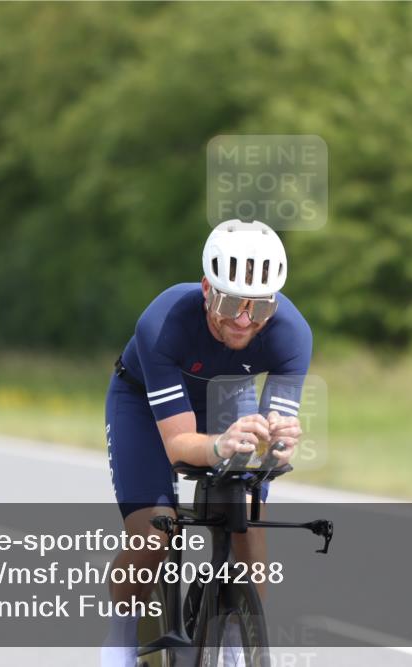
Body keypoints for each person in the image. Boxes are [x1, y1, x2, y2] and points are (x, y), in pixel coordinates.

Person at [102, 220, 312, 666]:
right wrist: (221, 446)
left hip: (226, 397)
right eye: (231, 302)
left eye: (257, 309)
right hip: (144, 402)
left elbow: (272, 449)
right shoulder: (162, 323)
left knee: (248, 527)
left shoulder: (292, 333)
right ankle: (119, 640)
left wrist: (279, 445)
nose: (242, 320)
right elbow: (179, 445)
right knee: (153, 533)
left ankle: (236, 639)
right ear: (205, 289)